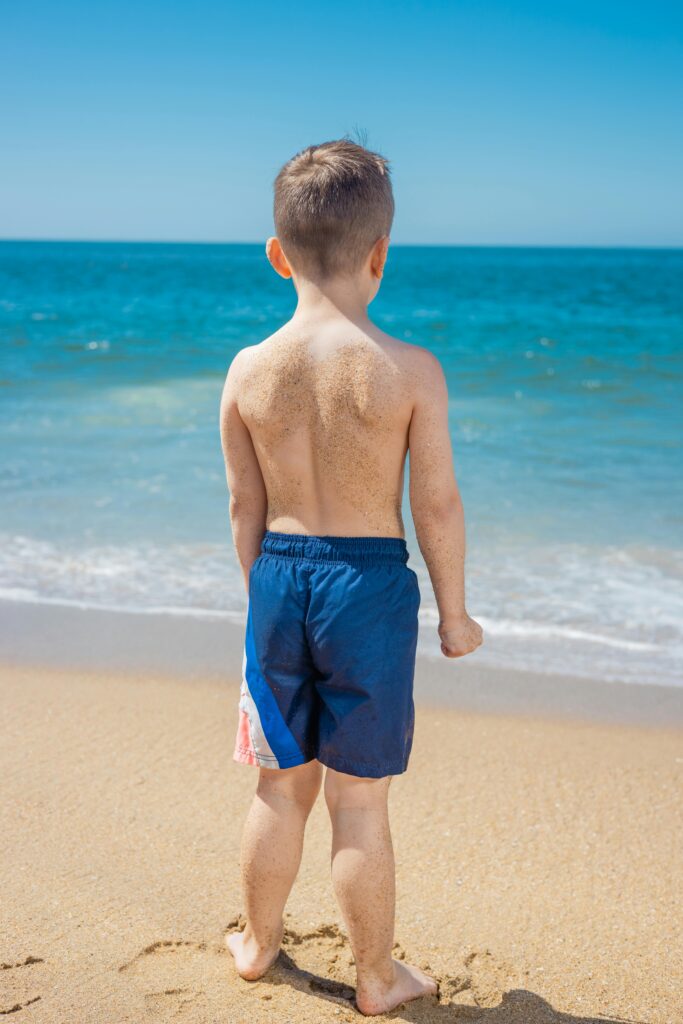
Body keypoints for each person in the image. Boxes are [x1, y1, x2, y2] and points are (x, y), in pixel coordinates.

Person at [219, 139, 483, 1016]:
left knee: (278, 785)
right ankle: (374, 977)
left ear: (277, 255)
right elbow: (436, 507)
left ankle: (258, 945)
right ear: (379, 257)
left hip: (278, 582)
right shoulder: (410, 371)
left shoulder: (248, 371)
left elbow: (241, 510)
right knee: (358, 803)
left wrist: (263, 599)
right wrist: (453, 614)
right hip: (368, 588)